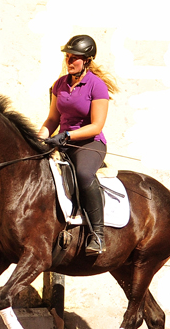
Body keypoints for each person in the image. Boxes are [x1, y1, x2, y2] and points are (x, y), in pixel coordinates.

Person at [39, 35, 119, 255]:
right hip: (62, 141)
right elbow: (52, 119)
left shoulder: (97, 86)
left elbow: (96, 125)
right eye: (68, 56)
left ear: (87, 61)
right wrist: (39, 139)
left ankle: (98, 235)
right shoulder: (60, 84)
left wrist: (65, 136)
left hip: (89, 143)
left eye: (75, 58)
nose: (69, 61)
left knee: (83, 174)